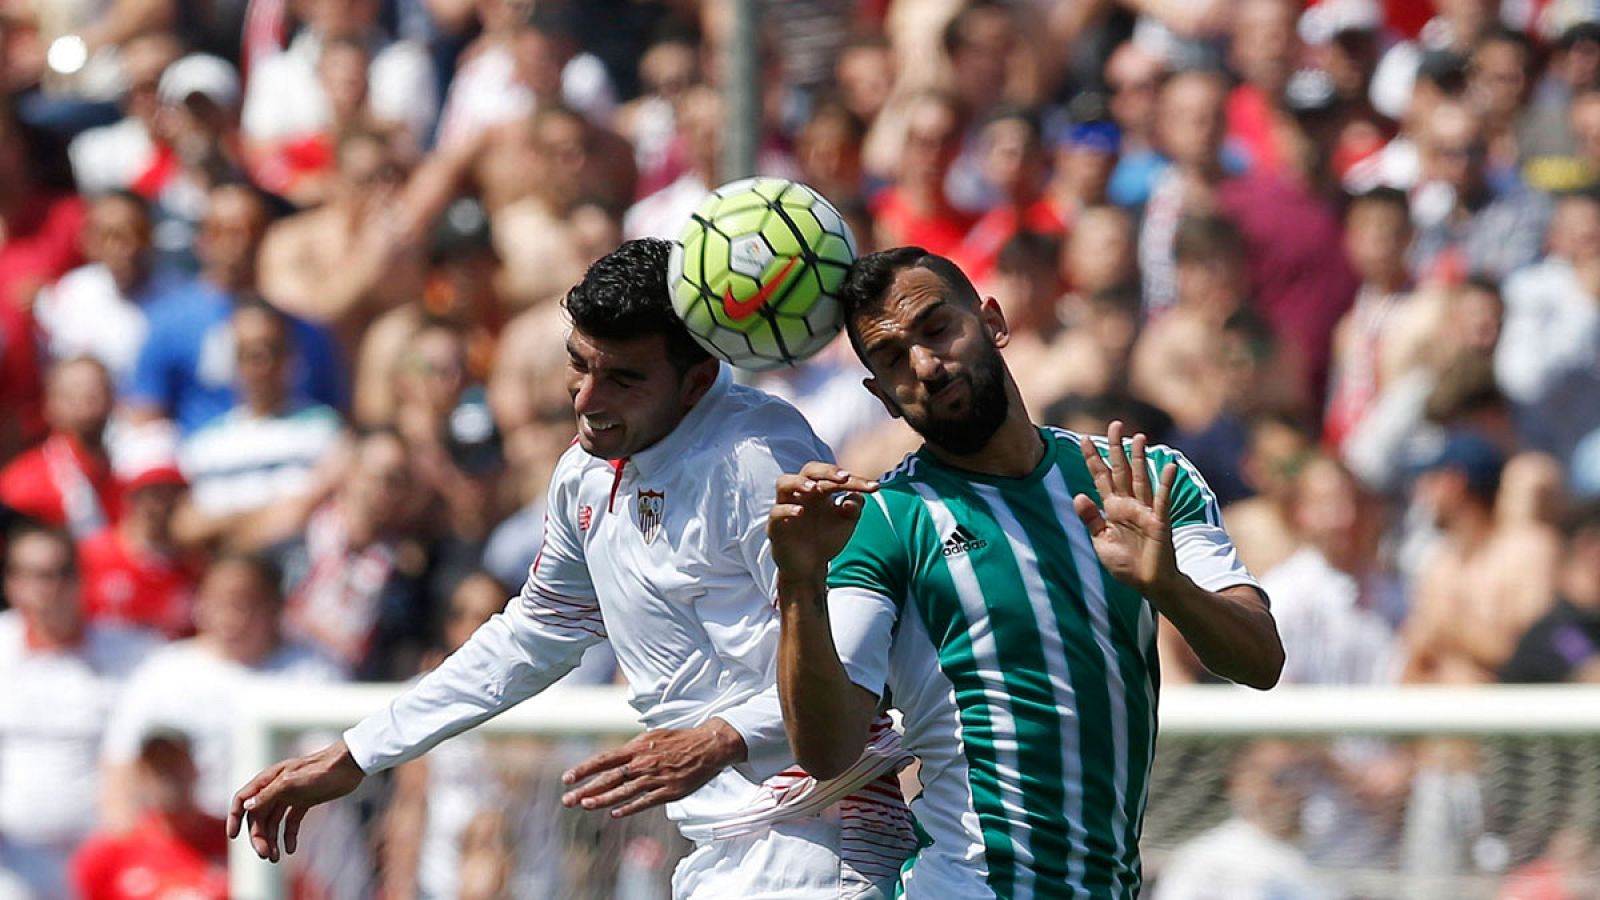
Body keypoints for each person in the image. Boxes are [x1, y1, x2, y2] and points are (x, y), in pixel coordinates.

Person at [228, 239, 916, 898]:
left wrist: (715, 740)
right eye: (578, 364)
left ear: (698, 379)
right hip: (721, 842)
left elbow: (858, 674)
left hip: (825, 834)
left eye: (622, 378)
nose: (586, 399)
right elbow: (530, 636)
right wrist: (358, 752)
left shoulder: (759, 457)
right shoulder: (584, 475)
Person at [767, 247, 1283, 898]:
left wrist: (1169, 587)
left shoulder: (1145, 481)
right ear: (882, 397)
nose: (925, 365)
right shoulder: (887, 521)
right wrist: (800, 583)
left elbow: (1260, 660)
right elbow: (826, 748)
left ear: (993, 321)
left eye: (936, 329)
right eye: (893, 359)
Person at [0, 522, 155, 898]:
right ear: (12, 583)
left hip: (104, 855)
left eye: (62, 573)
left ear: (81, 578)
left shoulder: (135, 653)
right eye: (37, 576)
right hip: (14, 860)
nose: (49, 588)